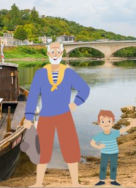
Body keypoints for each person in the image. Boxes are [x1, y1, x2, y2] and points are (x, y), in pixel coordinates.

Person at [24, 42, 90, 187]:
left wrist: (74, 104)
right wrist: (29, 117)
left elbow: (84, 89)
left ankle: (75, 183)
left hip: (64, 115)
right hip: (45, 116)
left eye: (58, 52)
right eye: (52, 52)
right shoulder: (40, 74)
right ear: (48, 54)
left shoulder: (68, 73)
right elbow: (33, 95)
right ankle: (38, 183)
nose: (55, 55)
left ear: (62, 53)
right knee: (43, 149)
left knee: (70, 148)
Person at [91, 110, 132, 186]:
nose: (106, 124)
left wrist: (131, 125)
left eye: (109, 121)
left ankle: (113, 180)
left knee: (113, 167)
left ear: (112, 123)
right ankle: (101, 180)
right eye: (103, 122)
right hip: (104, 153)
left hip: (114, 153)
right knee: (103, 167)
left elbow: (123, 130)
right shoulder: (100, 135)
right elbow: (92, 143)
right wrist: (98, 146)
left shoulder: (114, 133)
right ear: (99, 124)